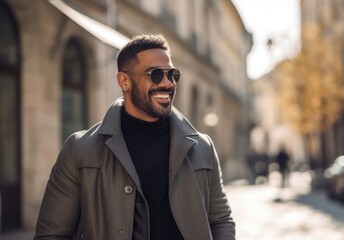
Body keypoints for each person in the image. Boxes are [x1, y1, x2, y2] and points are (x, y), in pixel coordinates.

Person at [34, 34, 235, 240]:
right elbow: (52, 234)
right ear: (124, 81)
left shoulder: (202, 147)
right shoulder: (80, 150)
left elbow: (221, 220)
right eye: (155, 74)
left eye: (172, 74)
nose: (167, 83)